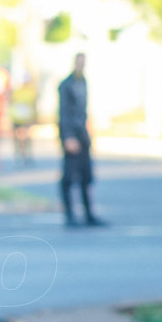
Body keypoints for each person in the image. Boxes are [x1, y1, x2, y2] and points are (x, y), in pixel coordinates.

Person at [58, 53, 105, 227]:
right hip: (71, 133)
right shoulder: (66, 85)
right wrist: (68, 136)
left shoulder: (83, 81)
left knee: (86, 175)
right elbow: (63, 112)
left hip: (82, 133)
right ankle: (69, 214)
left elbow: (82, 111)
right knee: (69, 176)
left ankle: (89, 214)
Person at [9, 73, 37, 166]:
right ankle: (18, 156)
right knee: (17, 138)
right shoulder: (16, 91)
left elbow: (33, 104)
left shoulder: (31, 91)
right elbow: (12, 103)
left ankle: (26, 155)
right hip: (17, 117)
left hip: (26, 118)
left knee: (26, 137)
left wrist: (34, 117)